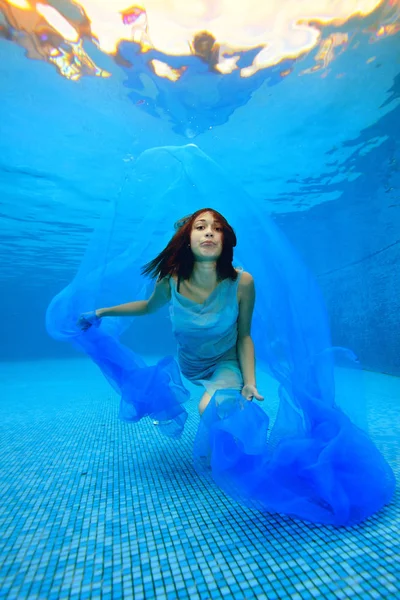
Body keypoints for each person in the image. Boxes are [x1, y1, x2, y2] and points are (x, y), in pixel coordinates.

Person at [78, 208, 263, 415]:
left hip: (225, 360)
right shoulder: (171, 280)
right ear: (187, 240)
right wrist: (101, 312)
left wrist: (250, 382)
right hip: (190, 364)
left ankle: (229, 431)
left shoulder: (242, 283)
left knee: (209, 409)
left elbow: (244, 336)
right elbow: (148, 306)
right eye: (200, 227)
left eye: (217, 228)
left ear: (225, 240)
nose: (209, 232)